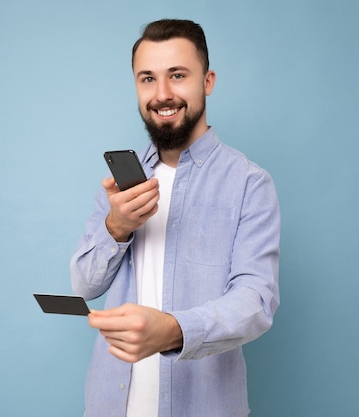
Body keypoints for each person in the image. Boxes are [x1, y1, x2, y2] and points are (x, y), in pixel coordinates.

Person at [70, 18, 280, 417]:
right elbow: (83, 285)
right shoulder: (119, 185)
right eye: (147, 78)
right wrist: (117, 228)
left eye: (177, 75)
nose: (162, 94)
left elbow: (256, 302)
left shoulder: (249, 184)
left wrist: (173, 330)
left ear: (208, 81)